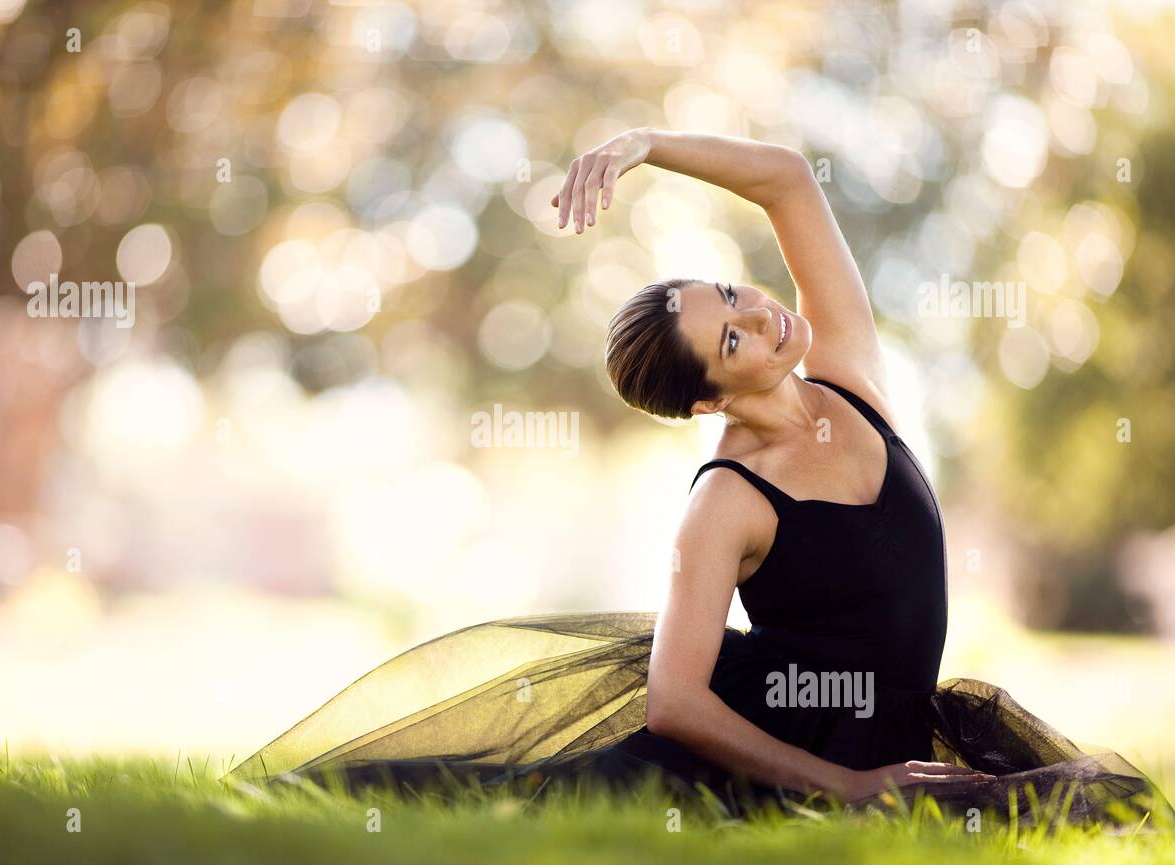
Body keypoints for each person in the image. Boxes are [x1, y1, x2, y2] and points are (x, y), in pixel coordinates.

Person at [229, 129, 1167, 825]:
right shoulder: (726, 502)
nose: (763, 318)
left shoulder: (846, 369)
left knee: (1110, 808)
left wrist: (646, 145)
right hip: (785, 756)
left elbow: (790, 181)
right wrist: (845, 787)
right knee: (500, 804)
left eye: (733, 296)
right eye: (731, 339)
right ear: (705, 404)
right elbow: (674, 702)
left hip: (882, 732)